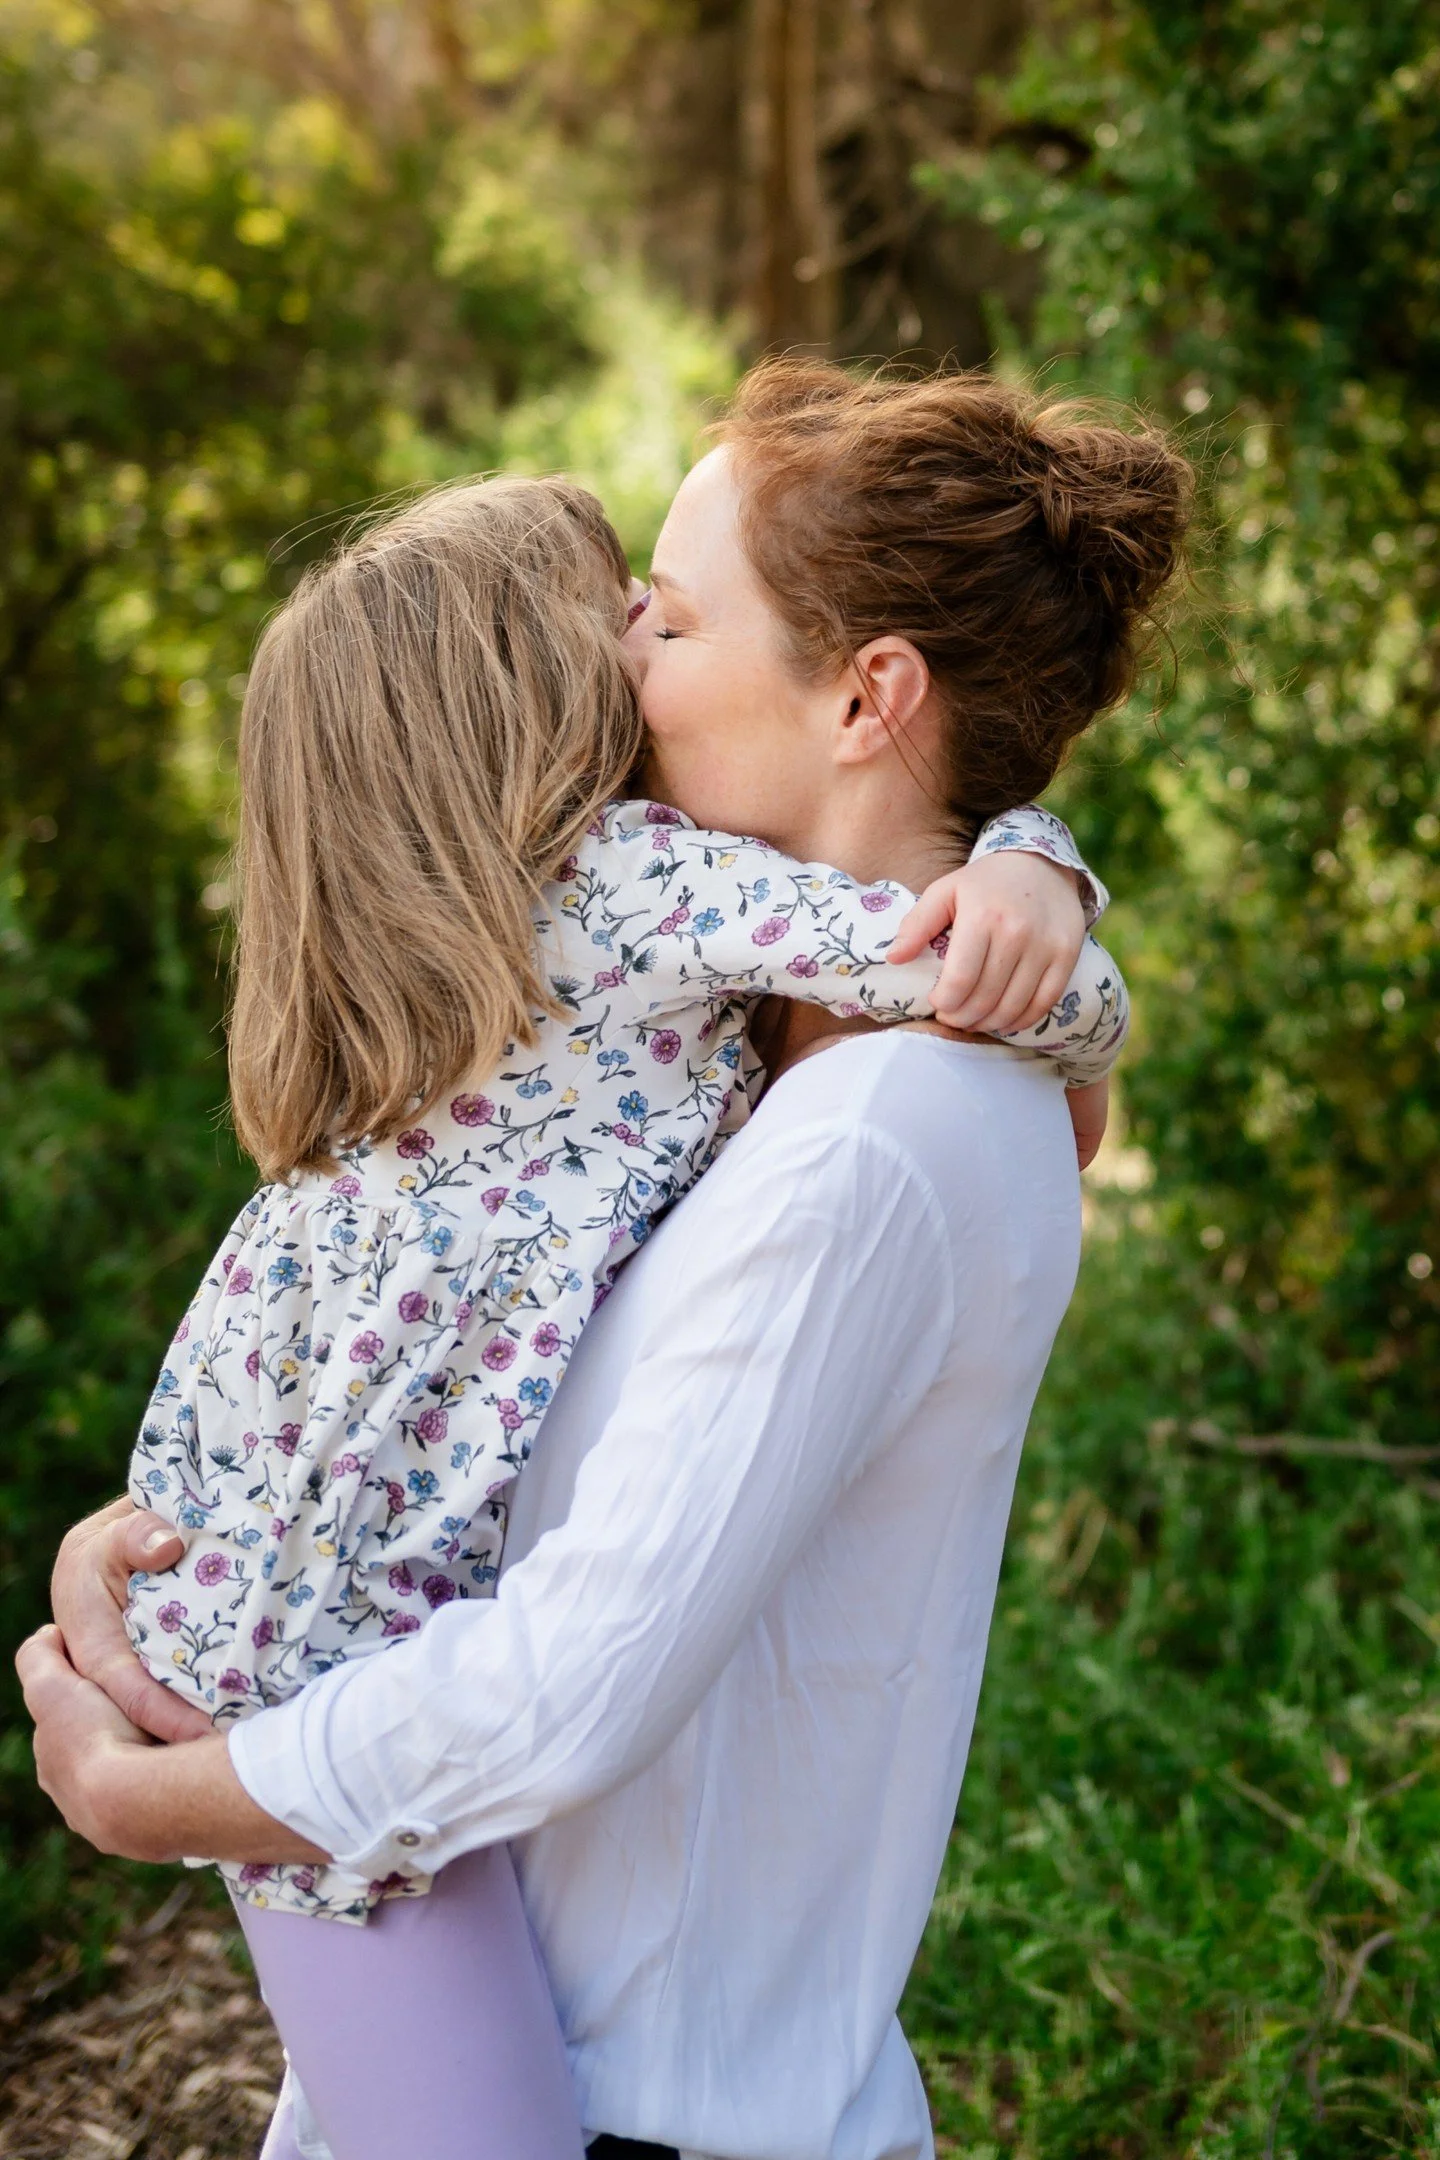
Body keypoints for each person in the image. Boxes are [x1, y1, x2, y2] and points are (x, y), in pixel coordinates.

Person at [21, 358, 1191, 2160]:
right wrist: (172, 1543)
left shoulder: (877, 1136)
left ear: (873, 694)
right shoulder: (718, 1038)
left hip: (643, 2106)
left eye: (671, 613)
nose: (626, 658)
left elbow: (570, 1679)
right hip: (463, 2004)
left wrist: (155, 1797)